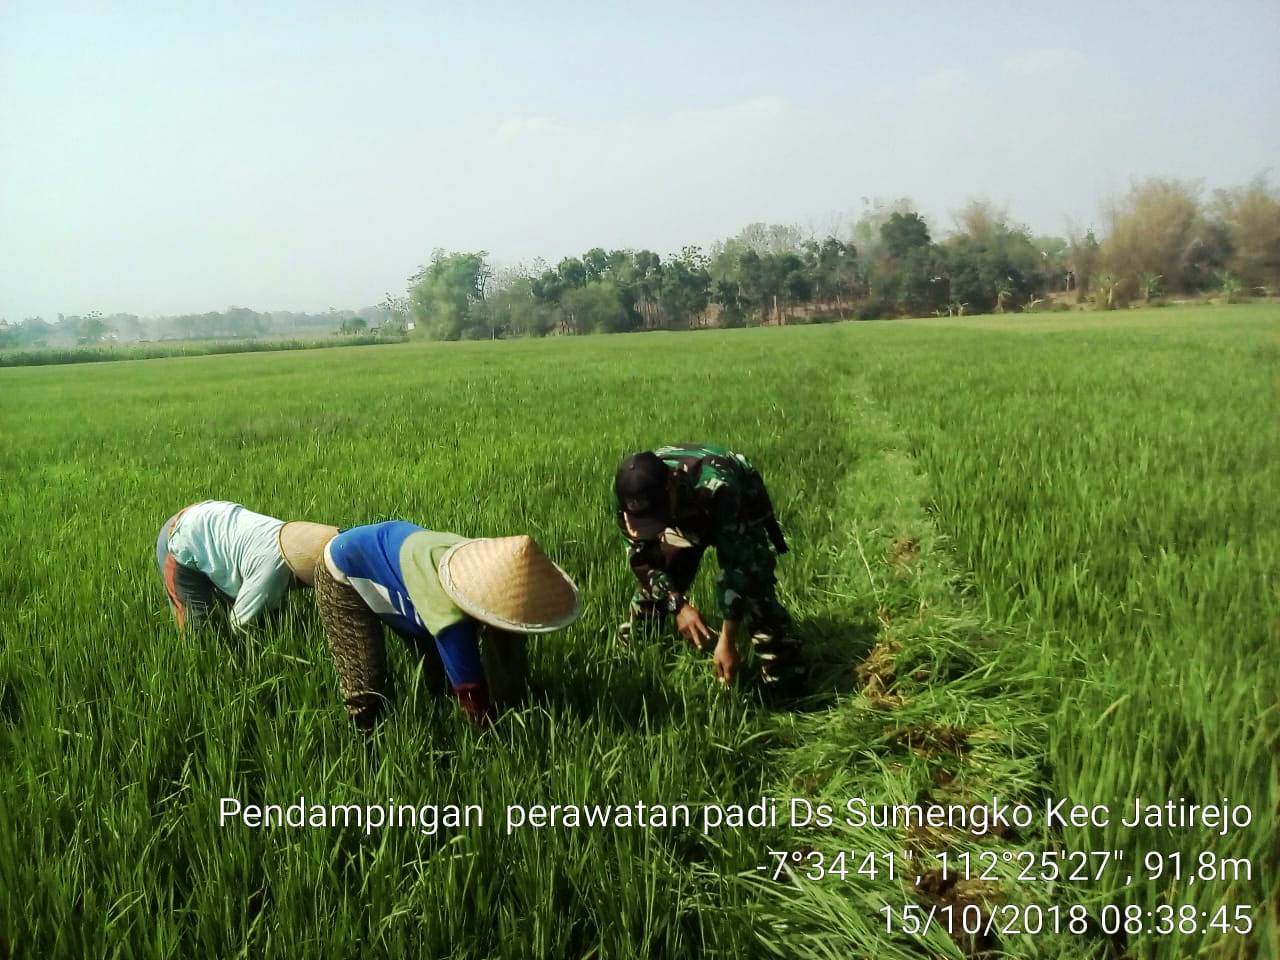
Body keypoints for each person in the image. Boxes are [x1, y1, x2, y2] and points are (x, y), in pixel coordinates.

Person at [312, 521, 579, 728]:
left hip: (402, 554)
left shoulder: (495, 563)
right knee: (366, 677)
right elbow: (469, 686)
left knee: (441, 665)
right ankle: (366, 744)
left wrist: (515, 694)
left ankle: (441, 701)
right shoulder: (450, 608)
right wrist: (486, 732)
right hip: (344, 566)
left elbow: (508, 642)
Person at [613, 443, 804, 693]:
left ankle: (785, 680)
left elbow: (739, 567)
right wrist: (677, 604)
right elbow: (643, 560)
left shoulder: (721, 488)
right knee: (656, 588)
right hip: (681, 509)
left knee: (756, 590)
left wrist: (728, 640)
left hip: (728, 499)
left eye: (656, 518)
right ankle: (627, 667)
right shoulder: (625, 493)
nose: (652, 526)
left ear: (671, 486)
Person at [156, 500, 336, 629]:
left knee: (268, 619)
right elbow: (239, 623)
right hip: (181, 536)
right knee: (198, 628)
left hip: (212, 520)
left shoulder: (293, 541)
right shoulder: (273, 570)